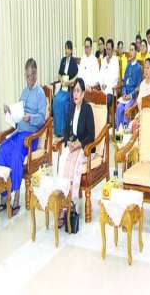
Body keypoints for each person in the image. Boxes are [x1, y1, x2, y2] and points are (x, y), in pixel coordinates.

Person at [0, 58, 47, 214]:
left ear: (36, 74)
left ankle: (17, 197)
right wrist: (10, 112)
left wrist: (30, 117)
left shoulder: (40, 94)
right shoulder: (24, 92)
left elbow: (42, 119)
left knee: (17, 154)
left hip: (30, 136)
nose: (29, 79)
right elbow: (17, 115)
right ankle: (4, 196)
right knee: (2, 150)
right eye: (27, 76)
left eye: (32, 75)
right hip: (19, 132)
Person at [58, 77, 95, 225]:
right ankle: (62, 202)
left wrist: (78, 144)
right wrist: (68, 141)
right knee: (63, 161)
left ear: (83, 93)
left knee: (74, 166)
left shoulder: (87, 109)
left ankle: (71, 205)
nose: (75, 94)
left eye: (78, 91)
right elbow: (66, 130)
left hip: (85, 148)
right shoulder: (71, 108)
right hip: (73, 145)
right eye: (74, 91)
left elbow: (91, 135)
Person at [53, 40, 79, 137]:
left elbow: (76, 76)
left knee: (62, 101)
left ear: (71, 50)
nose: (66, 50)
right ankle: (57, 129)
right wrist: (61, 80)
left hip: (69, 89)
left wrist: (70, 82)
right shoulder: (63, 60)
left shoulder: (73, 62)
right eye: (65, 48)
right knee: (55, 100)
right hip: (62, 87)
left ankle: (63, 130)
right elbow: (59, 74)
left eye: (68, 48)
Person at [115, 46, 142, 128]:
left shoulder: (138, 68)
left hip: (133, 97)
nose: (131, 52)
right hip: (125, 96)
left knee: (126, 109)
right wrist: (123, 93)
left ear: (136, 52)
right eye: (130, 50)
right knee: (119, 107)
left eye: (132, 50)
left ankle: (125, 131)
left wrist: (130, 95)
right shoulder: (128, 66)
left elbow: (139, 86)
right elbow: (124, 84)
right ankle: (119, 131)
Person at [99, 39, 120, 124]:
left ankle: (106, 123)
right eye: (107, 49)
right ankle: (100, 123)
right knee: (97, 99)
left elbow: (115, 77)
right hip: (103, 89)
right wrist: (102, 84)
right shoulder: (104, 60)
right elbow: (100, 75)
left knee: (106, 101)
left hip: (111, 90)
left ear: (113, 49)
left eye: (109, 49)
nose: (108, 51)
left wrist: (107, 85)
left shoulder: (115, 60)